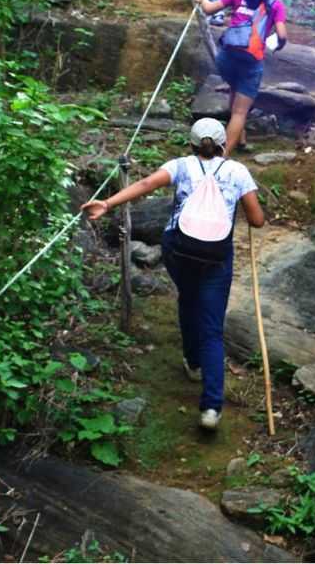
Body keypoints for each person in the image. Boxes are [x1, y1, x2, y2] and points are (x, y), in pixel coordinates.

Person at [81, 118, 264, 430]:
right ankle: (210, 408)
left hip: (178, 249)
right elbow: (257, 220)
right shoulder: (237, 171)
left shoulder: (181, 165)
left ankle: (192, 361)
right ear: (223, 144)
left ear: (191, 144)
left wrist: (107, 204)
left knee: (188, 298)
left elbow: (145, 185)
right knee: (212, 329)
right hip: (216, 257)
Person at [195, 0, 288, 156]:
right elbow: (282, 35)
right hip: (251, 63)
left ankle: (241, 138)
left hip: (226, 59)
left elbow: (209, 9)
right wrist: (277, 44)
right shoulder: (275, 5)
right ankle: (223, 156)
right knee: (240, 112)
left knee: (235, 93)